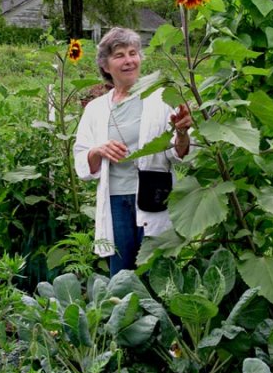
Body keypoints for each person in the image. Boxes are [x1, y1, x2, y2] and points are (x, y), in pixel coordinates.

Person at [73, 27, 191, 276]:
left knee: (156, 272)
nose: (128, 61)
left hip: (154, 195)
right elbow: (82, 161)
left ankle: (157, 316)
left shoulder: (160, 98)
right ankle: (122, 315)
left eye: (133, 53)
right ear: (105, 65)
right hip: (115, 200)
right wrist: (98, 150)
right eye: (119, 55)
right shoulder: (95, 109)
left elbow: (180, 154)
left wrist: (181, 133)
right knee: (121, 275)